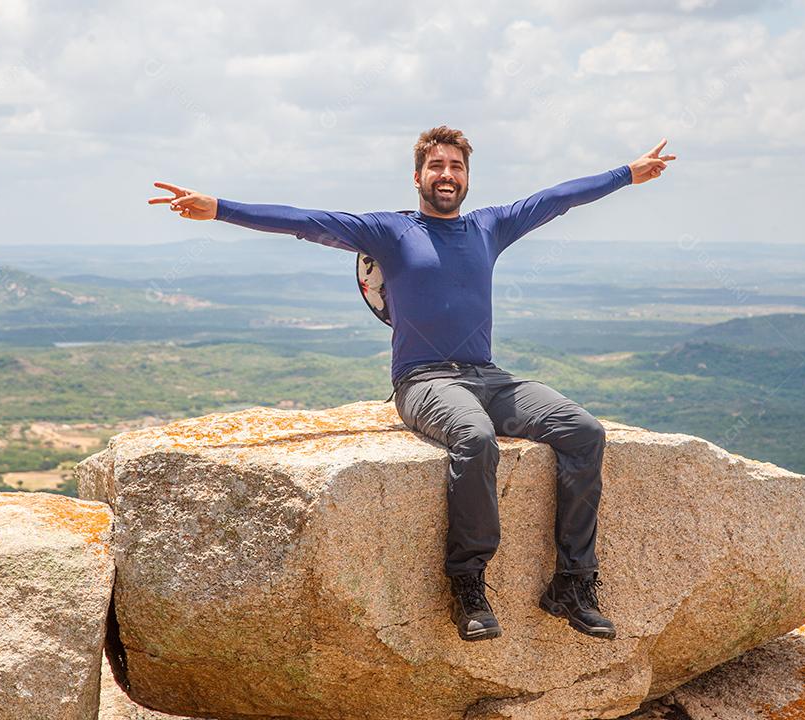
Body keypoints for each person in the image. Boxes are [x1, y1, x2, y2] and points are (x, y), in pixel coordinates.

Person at [148, 126, 675, 642]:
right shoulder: (390, 232)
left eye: (456, 166)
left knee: (583, 430)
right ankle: (468, 582)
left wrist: (627, 174)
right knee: (475, 437)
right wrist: (219, 208)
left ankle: (572, 583)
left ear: (467, 178)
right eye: (436, 166)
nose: (447, 174)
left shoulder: (489, 227)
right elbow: (304, 221)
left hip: (487, 375)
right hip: (423, 381)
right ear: (417, 177)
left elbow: (557, 199)